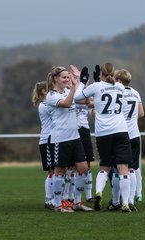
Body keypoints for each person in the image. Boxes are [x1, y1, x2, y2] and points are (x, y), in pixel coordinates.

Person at [74, 63, 133, 213]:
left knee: (104, 167)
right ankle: (125, 203)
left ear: (100, 74)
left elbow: (76, 98)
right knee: (123, 168)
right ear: (114, 74)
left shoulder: (96, 86)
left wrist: (82, 82)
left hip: (103, 133)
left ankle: (99, 192)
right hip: (120, 130)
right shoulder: (120, 87)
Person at [46, 66, 92, 212]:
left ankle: (77, 202)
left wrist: (81, 82)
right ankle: (58, 204)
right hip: (60, 138)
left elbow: (85, 101)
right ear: (55, 79)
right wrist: (74, 88)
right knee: (60, 171)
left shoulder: (68, 91)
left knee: (84, 168)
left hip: (75, 137)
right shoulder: (51, 95)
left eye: (68, 77)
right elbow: (66, 104)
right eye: (64, 77)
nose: (67, 79)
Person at [114, 69, 145, 211]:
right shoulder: (135, 92)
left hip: (121, 133)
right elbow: (141, 113)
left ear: (119, 81)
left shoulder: (117, 92)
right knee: (132, 168)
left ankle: (119, 200)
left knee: (120, 169)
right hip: (135, 134)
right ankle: (131, 200)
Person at [32, 81, 54, 209]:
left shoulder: (49, 103)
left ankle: (57, 198)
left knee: (57, 171)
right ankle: (48, 199)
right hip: (46, 140)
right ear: (44, 92)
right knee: (51, 171)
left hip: (54, 139)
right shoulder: (44, 105)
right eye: (49, 89)